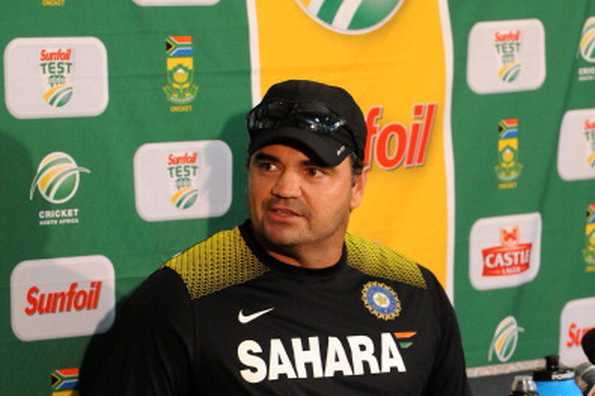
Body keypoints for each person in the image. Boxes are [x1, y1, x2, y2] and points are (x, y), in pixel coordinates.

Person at [80, 79, 472, 395]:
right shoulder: (183, 297)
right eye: (267, 165)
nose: (284, 188)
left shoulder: (413, 290)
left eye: (312, 171)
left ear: (357, 186)